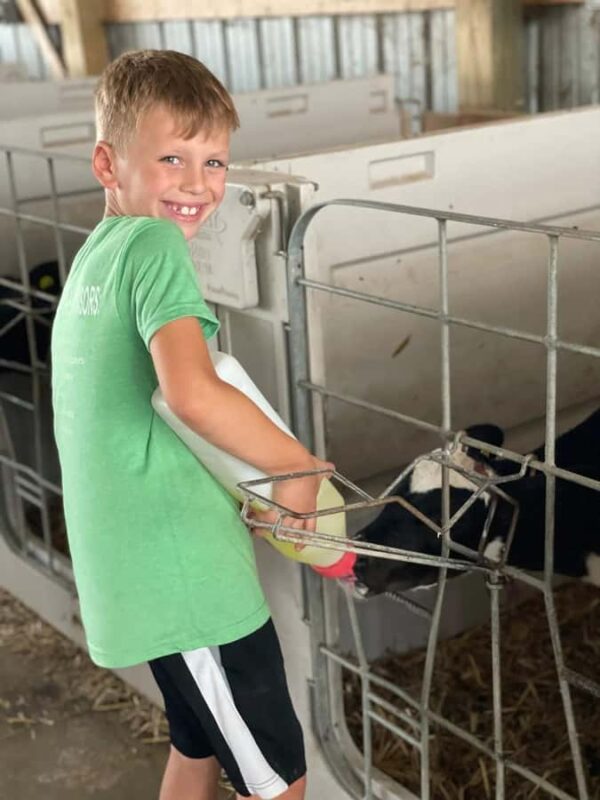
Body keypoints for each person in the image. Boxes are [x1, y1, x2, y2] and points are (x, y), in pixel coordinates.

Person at [51, 49, 332, 800]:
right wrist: (296, 468)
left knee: (198, 744)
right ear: (108, 163)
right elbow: (190, 393)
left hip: (142, 571)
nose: (198, 183)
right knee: (278, 783)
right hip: (189, 586)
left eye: (214, 161)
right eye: (172, 157)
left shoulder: (93, 262)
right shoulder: (152, 246)